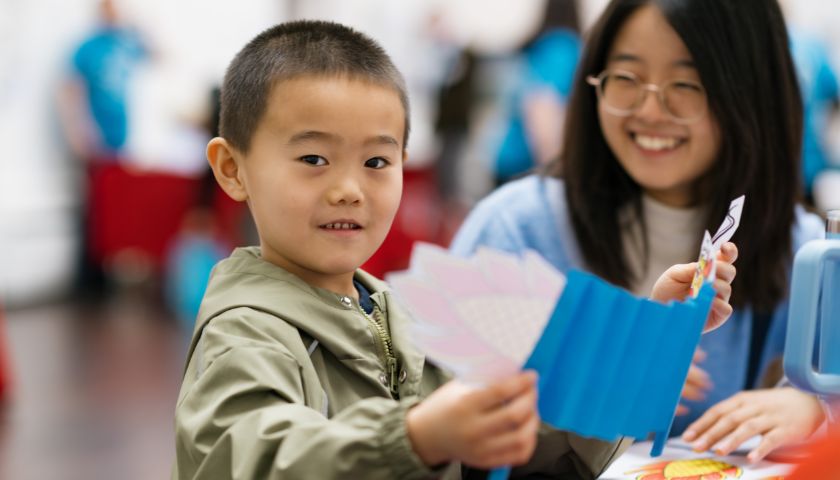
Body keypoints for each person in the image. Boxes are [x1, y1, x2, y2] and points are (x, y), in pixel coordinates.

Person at [172, 20, 735, 479]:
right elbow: (255, 458)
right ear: (232, 168)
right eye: (314, 159)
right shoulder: (244, 333)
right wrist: (415, 437)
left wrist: (642, 344)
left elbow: (512, 435)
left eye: (376, 162)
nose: (349, 189)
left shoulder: (400, 314)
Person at [450, 0, 826, 464]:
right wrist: (603, 376)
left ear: (753, 93)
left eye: (686, 84)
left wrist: (816, 407)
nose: (649, 110)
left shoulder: (804, 250)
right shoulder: (513, 228)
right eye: (626, 77)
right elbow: (437, 420)